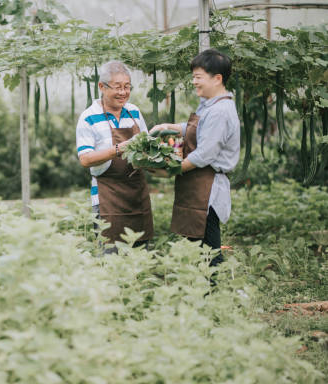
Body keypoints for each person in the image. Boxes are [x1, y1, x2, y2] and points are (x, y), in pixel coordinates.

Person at [150, 48, 240, 266]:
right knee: (198, 246)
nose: (194, 82)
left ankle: (213, 294)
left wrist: (171, 169)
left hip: (207, 188)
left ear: (217, 78)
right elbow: (197, 130)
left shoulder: (220, 111)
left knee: (208, 249)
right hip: (199, 184)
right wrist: (168, 127)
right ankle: (203, 292)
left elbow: (204, 155)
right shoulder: (211, 106)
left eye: (198, 77)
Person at [76, 60, 153, 251]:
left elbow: (146, 145)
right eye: (117, 87)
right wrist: (118, 149)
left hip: (137, 194)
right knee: (110, 256)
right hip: (106, 198)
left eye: (127, 87)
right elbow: (85, 159)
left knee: (141, 258)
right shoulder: (88, 117)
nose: (123, 92)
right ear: (102, 87)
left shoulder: (133, 111)